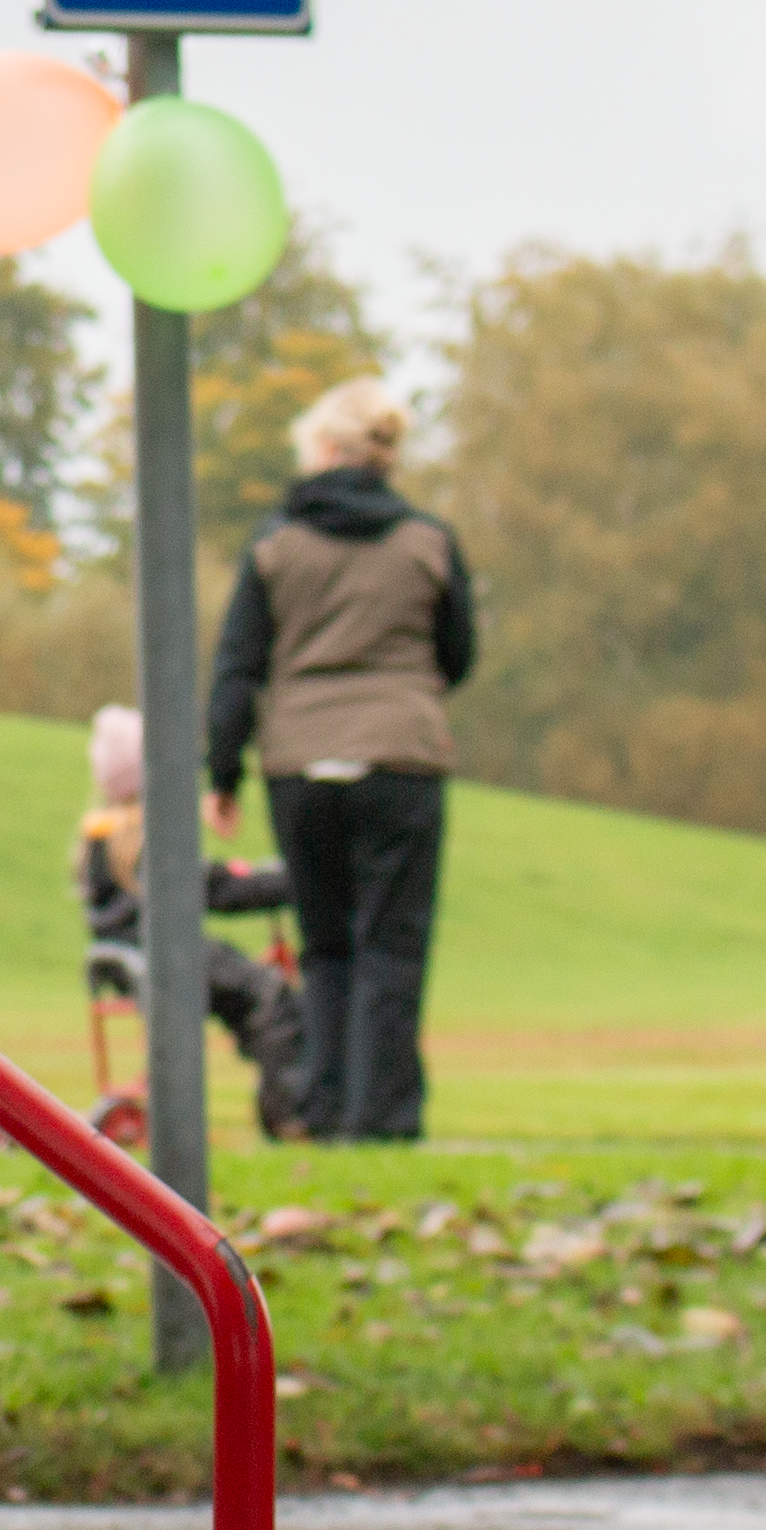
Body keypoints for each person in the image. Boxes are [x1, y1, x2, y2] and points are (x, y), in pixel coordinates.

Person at [205, 378, 477, 1144]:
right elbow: (458, 653)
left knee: (324, 943)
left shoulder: (274, 545)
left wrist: (222, 774)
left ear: (322, 450)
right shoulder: (429, 542)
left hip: (300, 762)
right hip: (402, 757)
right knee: (391, 944)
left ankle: (321, 1108)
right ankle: (383, 1117)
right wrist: (403, 696)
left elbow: (238, 667)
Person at [73, 703, 307, 1124]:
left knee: (244, 996)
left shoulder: (98, 838)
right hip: (170, 955)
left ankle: (284, 1089)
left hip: (124, 957)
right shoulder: (152, 836)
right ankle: (291, 1107)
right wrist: (292, 883)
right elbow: (212, 889)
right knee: (271, 996)